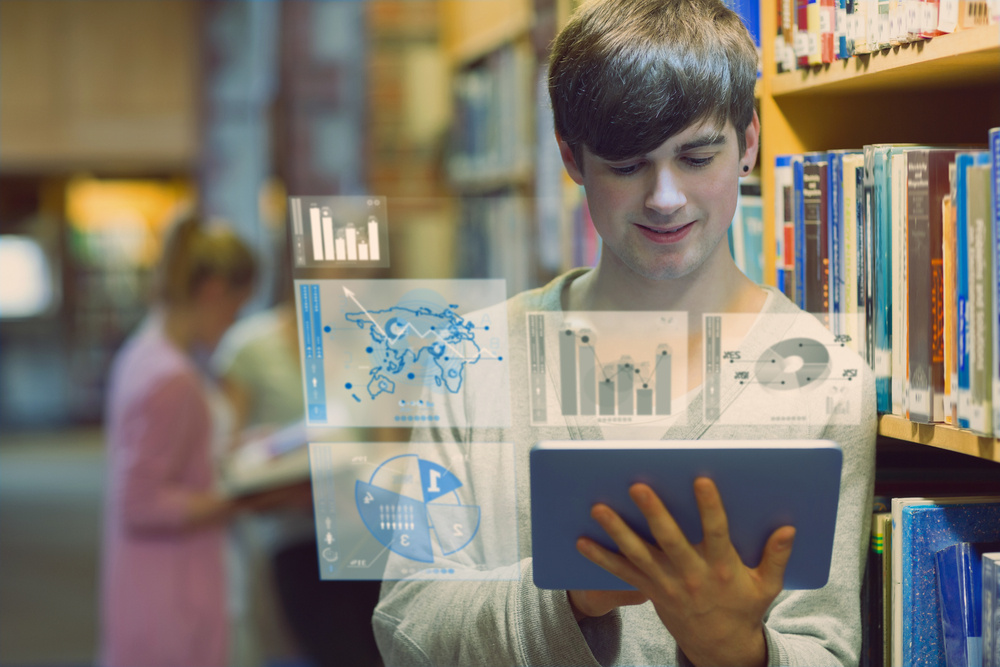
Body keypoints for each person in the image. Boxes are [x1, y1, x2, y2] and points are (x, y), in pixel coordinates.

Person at [373, 0, 877, 665]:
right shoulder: (470, 360)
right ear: (571, 157)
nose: (665, 197)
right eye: (627, 165)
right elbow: (408, 623)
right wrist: (567, 595)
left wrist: (738, 650)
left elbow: (827, 647)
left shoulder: (829, 384)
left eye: (696, 157)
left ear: (749, 142)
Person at [99, 215, 266, 667]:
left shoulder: (154, 355)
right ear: (214, 291)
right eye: (237, 306)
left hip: (172, 580)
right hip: (176, 592)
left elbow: (183, 456)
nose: (234, 321)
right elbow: (140, 502)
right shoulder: (169, 377)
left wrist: (245, 449)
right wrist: (244, 499)